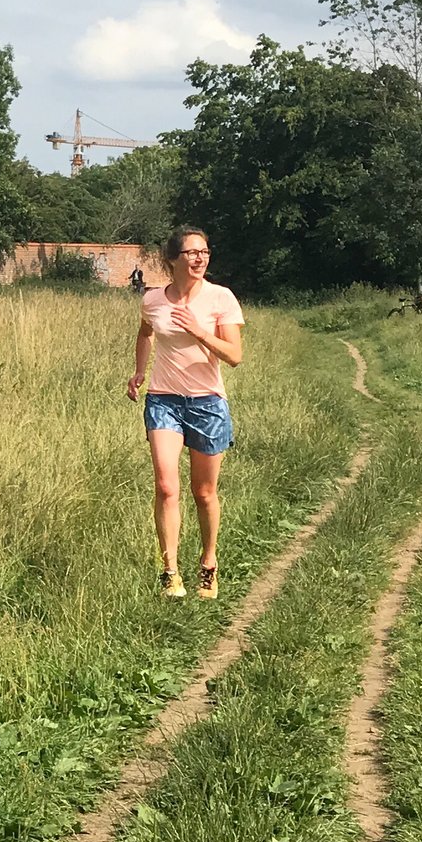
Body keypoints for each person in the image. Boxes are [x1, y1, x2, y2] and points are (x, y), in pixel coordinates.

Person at [126, 227, 244, 599]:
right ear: (173, 259)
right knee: (165, 486)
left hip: (208, 402)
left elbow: (235, 356)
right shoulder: (153, 299)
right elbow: (146, 333)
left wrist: (200, 332)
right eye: (192, 253)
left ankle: (208, 564)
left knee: (204, 492)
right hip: (164, 400)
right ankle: (169, 571)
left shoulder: (220, 298)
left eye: (205, 252)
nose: (200, 258)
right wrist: (140, 372)